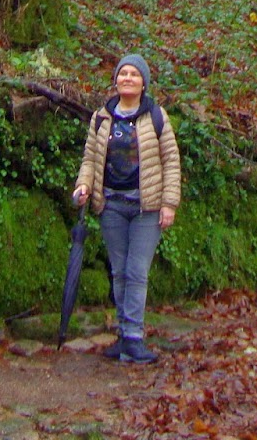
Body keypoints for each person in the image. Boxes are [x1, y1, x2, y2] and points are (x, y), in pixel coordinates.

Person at [72, 53, 181, 364]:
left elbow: (171, 160)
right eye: (123, 73)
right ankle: (124, 335)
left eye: (134, 74)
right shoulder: (101, 117)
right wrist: (83, 185)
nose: (128, 78)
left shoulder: (156, 117)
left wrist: (169, 203)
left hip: (147, 207)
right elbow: (90, 159)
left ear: (143, 82)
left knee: (136, 271)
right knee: (119, 272)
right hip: (112, 205)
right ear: (116, 80)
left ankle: (134, 337)